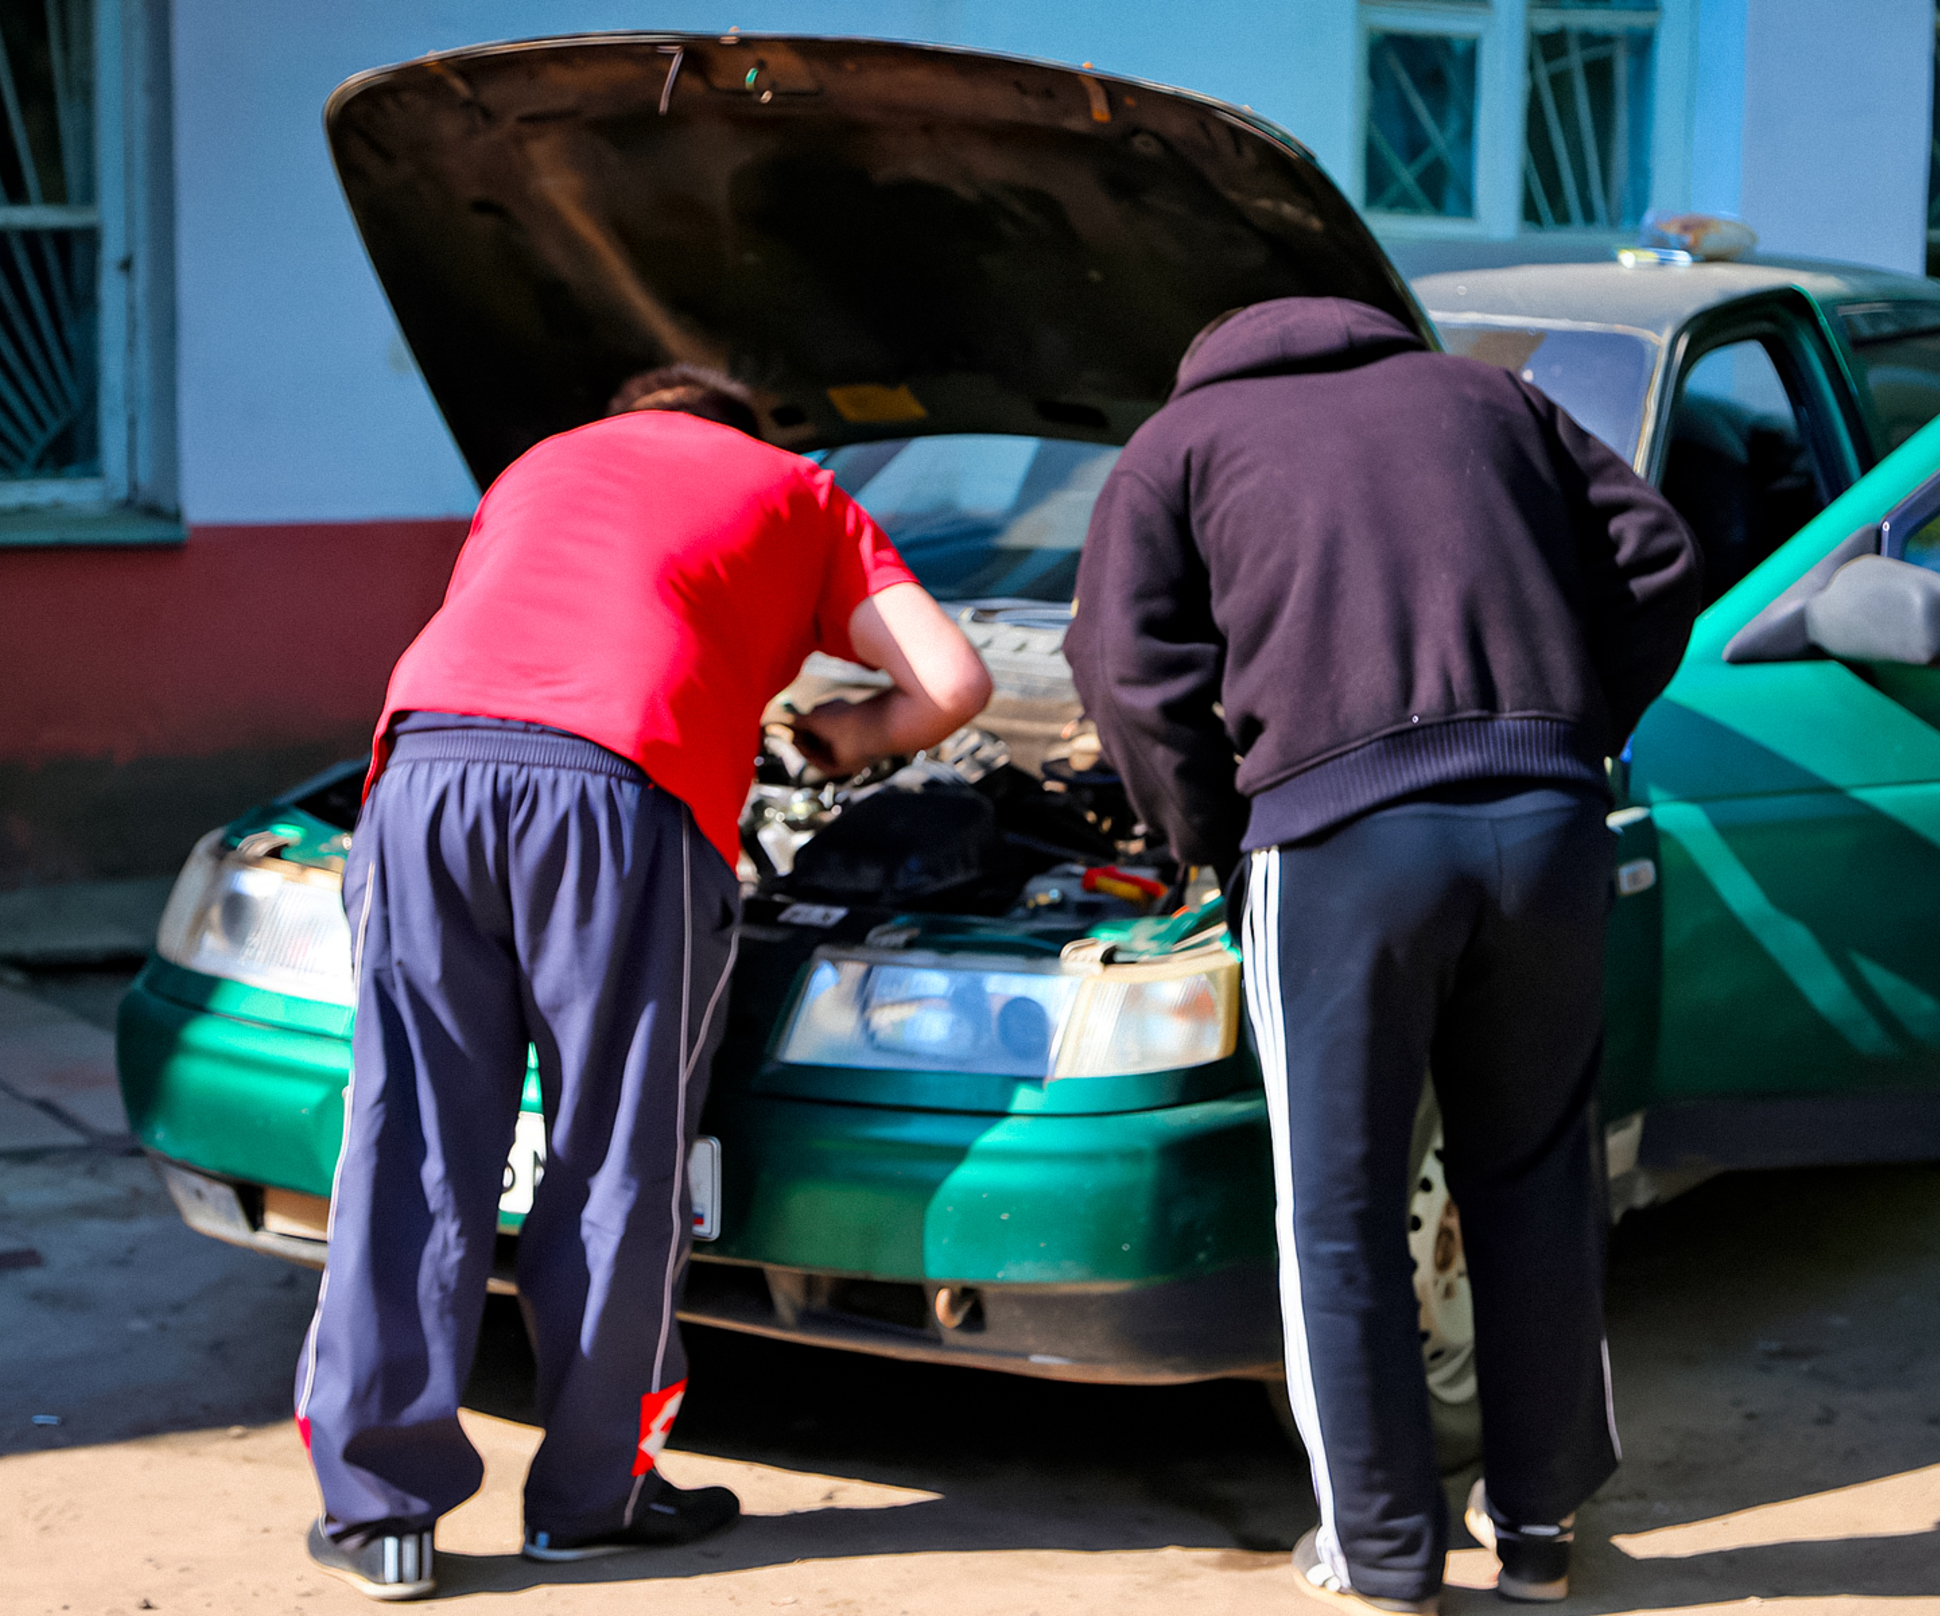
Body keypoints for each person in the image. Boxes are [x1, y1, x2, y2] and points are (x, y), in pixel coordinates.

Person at [297, 363, 992, 1601]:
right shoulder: (797, 487)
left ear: (632, 419)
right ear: (739, 429)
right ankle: (588, 1498)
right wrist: (849, 735)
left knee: (404, 1134)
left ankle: (380, 1514)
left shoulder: (539, 465)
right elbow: (952, 684)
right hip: (621, 785)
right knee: (613, 1152)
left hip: (424, 770)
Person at [1065, 298, 1700, 1613]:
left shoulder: (1181, 443)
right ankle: (1534, 1538)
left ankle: (1385, 1556)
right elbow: (1653, 556)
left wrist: (1213, 828)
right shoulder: (1491, 400)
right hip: (1547, 820)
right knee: (1531, 1177)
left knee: (1340, 1212)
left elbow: (1125, 669)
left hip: (1345, 847)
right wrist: (1566, 730)